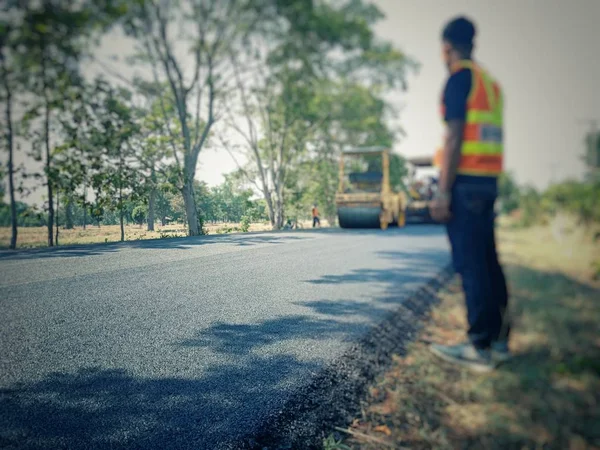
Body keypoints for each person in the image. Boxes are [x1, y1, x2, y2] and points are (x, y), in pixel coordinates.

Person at [428, 16, 511, 372]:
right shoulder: (489, 83)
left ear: (447, 46)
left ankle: (478, 347)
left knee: (471, 264)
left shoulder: (459, 78)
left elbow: (454, 137)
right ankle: (498, 340)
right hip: (488, 183)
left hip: (465, 185)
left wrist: (443, 191)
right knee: (489, 262)